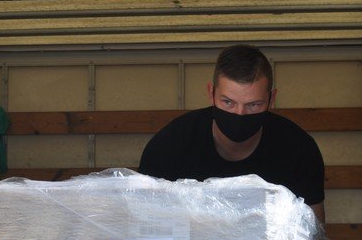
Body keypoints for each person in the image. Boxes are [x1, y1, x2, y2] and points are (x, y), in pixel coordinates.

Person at [138, 44, 325, 222]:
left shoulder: (298, 150)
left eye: (253, 104)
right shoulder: (171, 145)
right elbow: (145, 225)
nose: (240, 114)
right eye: (228, 102)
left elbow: (314, 233)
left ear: (271, 99)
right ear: (211, 94)